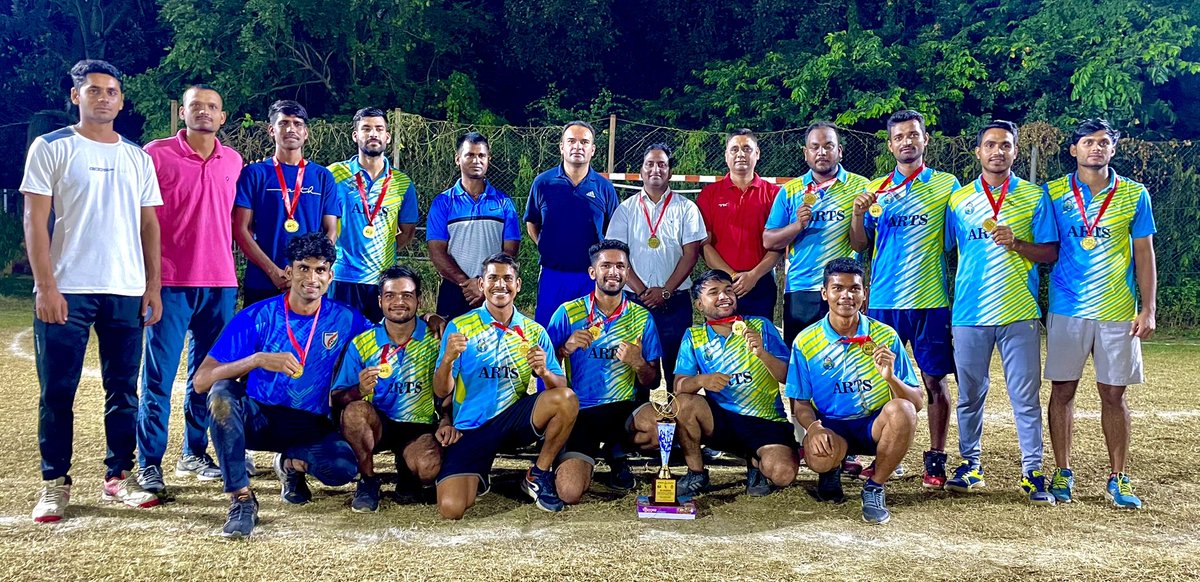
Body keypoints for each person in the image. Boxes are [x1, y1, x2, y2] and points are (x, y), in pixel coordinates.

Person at [25, 59, 164, 523]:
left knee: (123, 390)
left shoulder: (137, 156)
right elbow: (35, 221)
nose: (104, 98)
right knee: (57, 391)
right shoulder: (51, 147)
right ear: (75, 96)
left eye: (111, 92)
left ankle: (118, 476)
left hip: (125, 291)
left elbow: (149, 224)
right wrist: (46, 286)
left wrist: (152, 286)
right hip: (68, 288)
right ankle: (54, 482)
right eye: (94, 91)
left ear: (121, 100)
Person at [194, 234, 370, 538]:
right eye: (303, 268)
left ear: (330, 275)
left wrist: (429, 322)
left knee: (341, 469)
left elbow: (385, 338)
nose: (311, 278)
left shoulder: (345, 318)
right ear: (288, 272)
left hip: (310, 423)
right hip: (260, 417)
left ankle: (290, 464)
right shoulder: (257, 316)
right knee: (221, 394)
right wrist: (257, 360)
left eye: (320, 270)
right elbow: (201, 381)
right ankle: (242, 499)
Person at [136, 84, 243, 497]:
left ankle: (194, 451)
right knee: (158, 379)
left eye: (212, 107)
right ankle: (149, 464)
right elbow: (141, 220)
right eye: (195, 106)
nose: (204, 112)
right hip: (170, 283)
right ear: (182, 113)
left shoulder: (233, 160)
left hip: (220, 283)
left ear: (222, 117)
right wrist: (150, 282)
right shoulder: (156, 153)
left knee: (207, 375)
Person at [1043, 119, 1157, 509]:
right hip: (1067, 307)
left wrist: (1149, 307)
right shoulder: (1053, 192)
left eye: (1103, 142)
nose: (1096, 148)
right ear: (1073, 149)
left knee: (1114, 393)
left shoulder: (1134, 193)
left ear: (1113, 149)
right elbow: (1046, 246)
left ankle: (1118, 476)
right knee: (1063, 389)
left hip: (1117, 310)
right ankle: (1062, 471)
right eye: (1088, 142)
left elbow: (1144, 253)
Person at [944, 120, 1059, 503]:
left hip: (1018, 313)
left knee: (1024, 396)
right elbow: (946, 248)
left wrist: (1019, 244)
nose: (998, 152)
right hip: (969, 313)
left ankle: (1033, 470)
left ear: (1015, 152)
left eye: (1006, 146)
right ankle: (970, 464)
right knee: (970, 394)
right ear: (978, 152)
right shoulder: (958, 200)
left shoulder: (1033, 196)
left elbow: (1051, 252)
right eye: (990, 145)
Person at [849, 109, 960, 490]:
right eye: (899, 137)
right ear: (890, 144)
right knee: (880, 381)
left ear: (925, 139)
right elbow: (859, 245)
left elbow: (958, 241)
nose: (906, 142)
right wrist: (857, 214)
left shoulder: (948, 185)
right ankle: (886, 454)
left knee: (934, 380)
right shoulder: (876, 188)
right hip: (883, 300)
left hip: (930, 300)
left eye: (913, 135)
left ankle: (936, 458)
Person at [434, 254, 579, 518]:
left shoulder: (534, 331)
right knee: (451, 509)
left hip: (513, 421)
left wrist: (544, 371)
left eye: (507, 279)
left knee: (566, 399)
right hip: (471, 427)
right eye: (492, 278)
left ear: (518, 284)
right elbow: (442, 391)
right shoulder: (461, 326)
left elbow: (561, 388)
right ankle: (481, 476)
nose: (500, 285)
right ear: (481, 284)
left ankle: (538, 474)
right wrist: (447, 360)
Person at [786, 258, 922, 525]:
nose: (846, 295)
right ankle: (831, 468)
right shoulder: (806, 341)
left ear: (864, 293)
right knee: (819, 459)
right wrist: (814, 429)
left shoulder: (885, 336)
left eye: (854, 289)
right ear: (825, 294)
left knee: (902, 409)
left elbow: (916, 402)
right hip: (832, 425)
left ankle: (874, 487)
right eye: (837, 288)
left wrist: (891, 377)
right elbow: (799, 403)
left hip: (873, 424)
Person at [333, 265, 459, 512]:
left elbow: (449, 393)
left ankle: (408, 470)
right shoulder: (363, 342)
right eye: (390, 295)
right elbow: (337, 398)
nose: (399, 302)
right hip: (379, 422)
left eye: (407, 295)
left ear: (419, 300)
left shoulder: (436, 339)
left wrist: (445, 419)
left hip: (419, 425)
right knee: (354, 412)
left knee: (428, 468)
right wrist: (359, 389)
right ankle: (368, 480)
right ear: (380, 301)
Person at [547, 240, 664, 502]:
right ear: (593, 272)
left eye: (620, 266)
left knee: (663, 427)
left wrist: (638, 363)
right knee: (569, 492)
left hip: (624, 409)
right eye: (606, 265)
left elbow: (654, 380)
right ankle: (585, 454)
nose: (613, 272)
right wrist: (564, 349)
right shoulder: (567, 313)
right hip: (579, 411)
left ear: (627, 271)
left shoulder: (642, 317)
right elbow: (539, 369)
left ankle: (617, 450)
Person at [672, 270, 800, 497]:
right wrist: (702, 380)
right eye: (714, 292)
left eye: (728, 290)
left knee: (782, 474)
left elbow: (788, 378)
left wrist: (763, 354)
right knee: (683, 404)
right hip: (723, 421)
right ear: (699, 305)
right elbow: (678, 387)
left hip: (766, 421)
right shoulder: (693, 336)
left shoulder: (760, 326)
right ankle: (696, 473)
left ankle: (755, 461)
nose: (724, 296)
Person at [605, 143, 705, 391]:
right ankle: (638, 425)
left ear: (670, 172)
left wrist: (666, 291)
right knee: (638, 372)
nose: (655, 169)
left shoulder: (687, 208)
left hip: (675, 301)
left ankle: (678, 425)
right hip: (635, 301)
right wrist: (641, 292)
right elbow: (618, 256)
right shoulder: (625, 210)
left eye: (662, 164)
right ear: (641, 171)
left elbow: (691, 254)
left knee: (677, 373)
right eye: (650, 164)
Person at [764, 121, 870, 345]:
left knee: (847, 359)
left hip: (844, 289)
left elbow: (860, 246)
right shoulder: (790, 190)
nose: (822, 152)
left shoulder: (861, 186)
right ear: (806, 153)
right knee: (802, 360)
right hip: (802, 289)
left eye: (828, 146)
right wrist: (796, 226)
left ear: (839, 151)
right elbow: (769, 241)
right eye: (815, 147)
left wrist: (857, 216)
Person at [234, 100, 341, 306]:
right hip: (262, 281)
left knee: (305, 338)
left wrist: (306, 272)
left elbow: (331, 231)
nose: (291, 129)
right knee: (262, 339)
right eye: (283, 123)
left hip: (307, 285)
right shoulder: (254, 173)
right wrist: (274, 272)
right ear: (271, 130)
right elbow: (240, 229)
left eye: (297, 123)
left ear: (306, 132)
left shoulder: (323, 176)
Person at [524, 121, 619, 327]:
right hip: (552, 274)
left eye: (584, 142)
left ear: (592, 149)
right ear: (562, 147)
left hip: (590, 276)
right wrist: (544, 244)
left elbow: (613, 230)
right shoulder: (543, 183)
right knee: (548, 337)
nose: (578, 146)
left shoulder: (604, 188)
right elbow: (532, 222)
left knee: (588, 340)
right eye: (572, 141)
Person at [328, 107, 419, 322]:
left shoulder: (402, 183)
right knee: (338, 344)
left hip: (382, 280)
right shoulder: (334, 174)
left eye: (379, 129)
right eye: (366, 128)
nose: (373, 134)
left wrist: (380, 253)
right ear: (355, 135)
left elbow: (407, 232)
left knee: (379, 346)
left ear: (387, 136)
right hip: (342, 277)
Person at [427, 132, 521, 320]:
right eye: (470, 155)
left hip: (493, 289)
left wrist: (484, 283)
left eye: (481, 156)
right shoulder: (443, 202)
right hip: (455, 289)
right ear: (458, 159)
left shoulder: (504, 202)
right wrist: (467, 283)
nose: (476, 160)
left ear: (488, 160)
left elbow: (510, 250)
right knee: (452, 346)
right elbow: (436, 251)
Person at [696, 128, 782, 321]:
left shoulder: (775, 194)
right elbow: (704, 244)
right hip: (722, 283)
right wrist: (732, 276)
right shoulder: (709, 194)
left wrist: (753, 276)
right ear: (726, 155)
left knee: (758, 343)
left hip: (761, 281)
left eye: (747, 148)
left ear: (757, 153)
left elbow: (779, 244)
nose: (740, 154)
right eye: (734, 149)